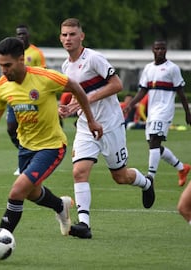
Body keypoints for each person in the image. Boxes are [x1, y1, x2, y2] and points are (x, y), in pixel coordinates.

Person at [0, 37, 103, 262]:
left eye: (8, 65)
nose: (3, 70)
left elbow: (77, 88)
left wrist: (90, 120)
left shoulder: (44, 77)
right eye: (0, 65)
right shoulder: (2, 86)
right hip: (26, 148)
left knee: (17, 190)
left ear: (21, 59)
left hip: (52, 146)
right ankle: (60, 205)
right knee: (31, 192)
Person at [58, 18, 155, 239]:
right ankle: (84, 224)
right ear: (60, 38)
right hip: (85, 126)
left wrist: (87, 99)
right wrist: (71, 107)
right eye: (64, 35)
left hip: (110, 124)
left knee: (120, 176)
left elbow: (117, 85)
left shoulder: (93, 58)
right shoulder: (65, 66)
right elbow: (79, 96)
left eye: (72, 34)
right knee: (79, 172)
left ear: (81, 36)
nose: (68, 39)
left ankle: (146, 182)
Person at [124, 40, 191, 186]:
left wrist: (187, 112)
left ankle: (150, 176)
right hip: (152, 112)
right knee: (153, 144)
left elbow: (181, 92)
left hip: (165, 111)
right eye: (157, 48)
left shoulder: (172, 68)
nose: (160, 51)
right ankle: (182, 167)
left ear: (166, 50)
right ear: (153, 50)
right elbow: (142, 91)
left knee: (154, 141)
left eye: (162, 48)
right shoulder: (148, 68)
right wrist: (130, 105)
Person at [7, 24, 47, 176]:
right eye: (18, 34)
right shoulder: (12, 53)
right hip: (14, 97)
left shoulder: (36, 53)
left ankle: (25, 164)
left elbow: (43, 74)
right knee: (11, 128)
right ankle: (28, 157)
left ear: (28, 35)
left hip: (31, 99)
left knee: (28, 130)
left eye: (23, 34)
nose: (21, 37)